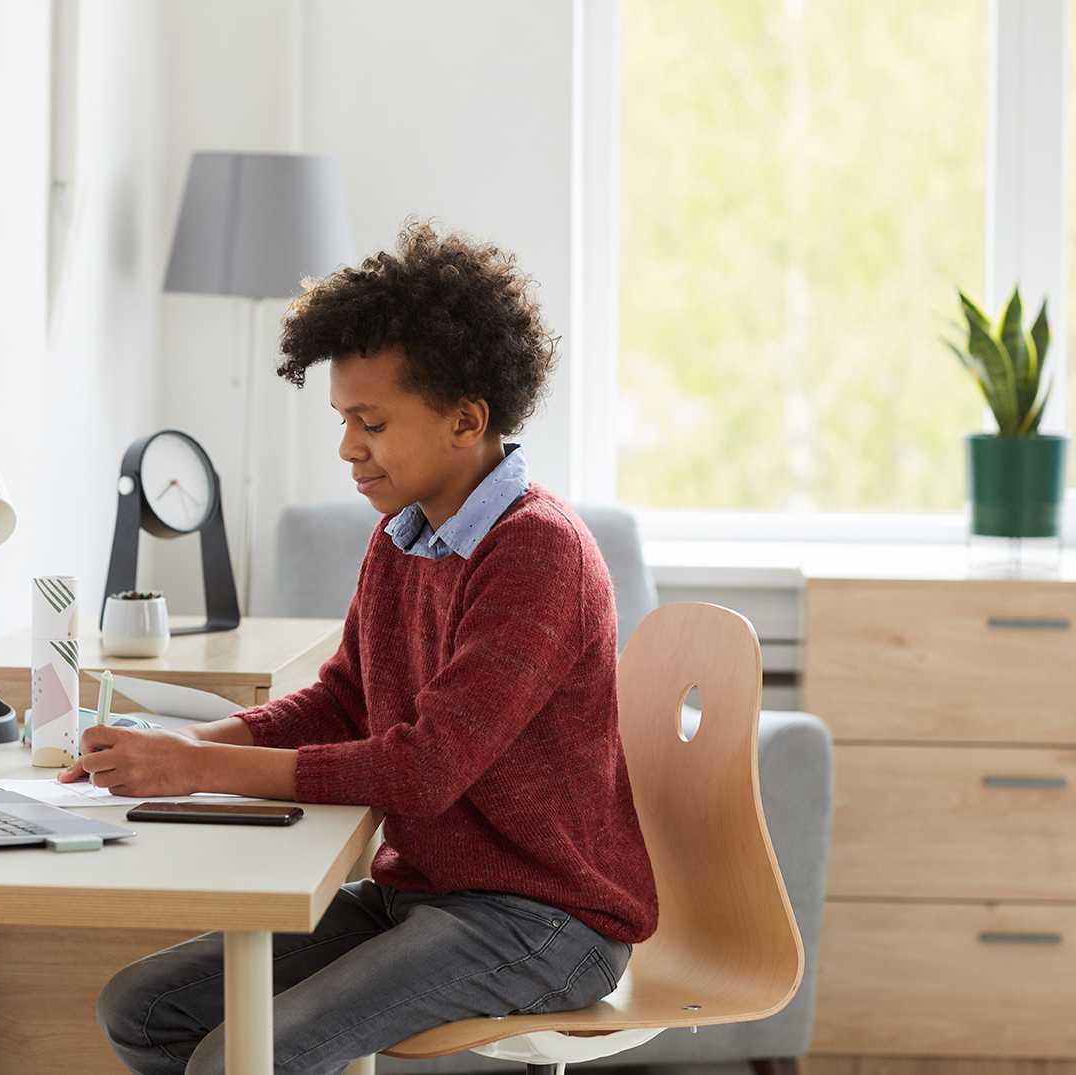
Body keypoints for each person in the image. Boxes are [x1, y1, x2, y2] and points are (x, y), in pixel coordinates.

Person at [60, 218, 658, 1075]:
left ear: (465, 420)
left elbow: (423, 767)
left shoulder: (537, 554)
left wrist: (195, 770)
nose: (347, 447)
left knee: (250, 1055)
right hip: (421, 892)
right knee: (144, 1009)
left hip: (544, 919)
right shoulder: (405, 535)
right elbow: (344, 698)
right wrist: (192, 744)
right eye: (344, 419)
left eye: (370, 422)